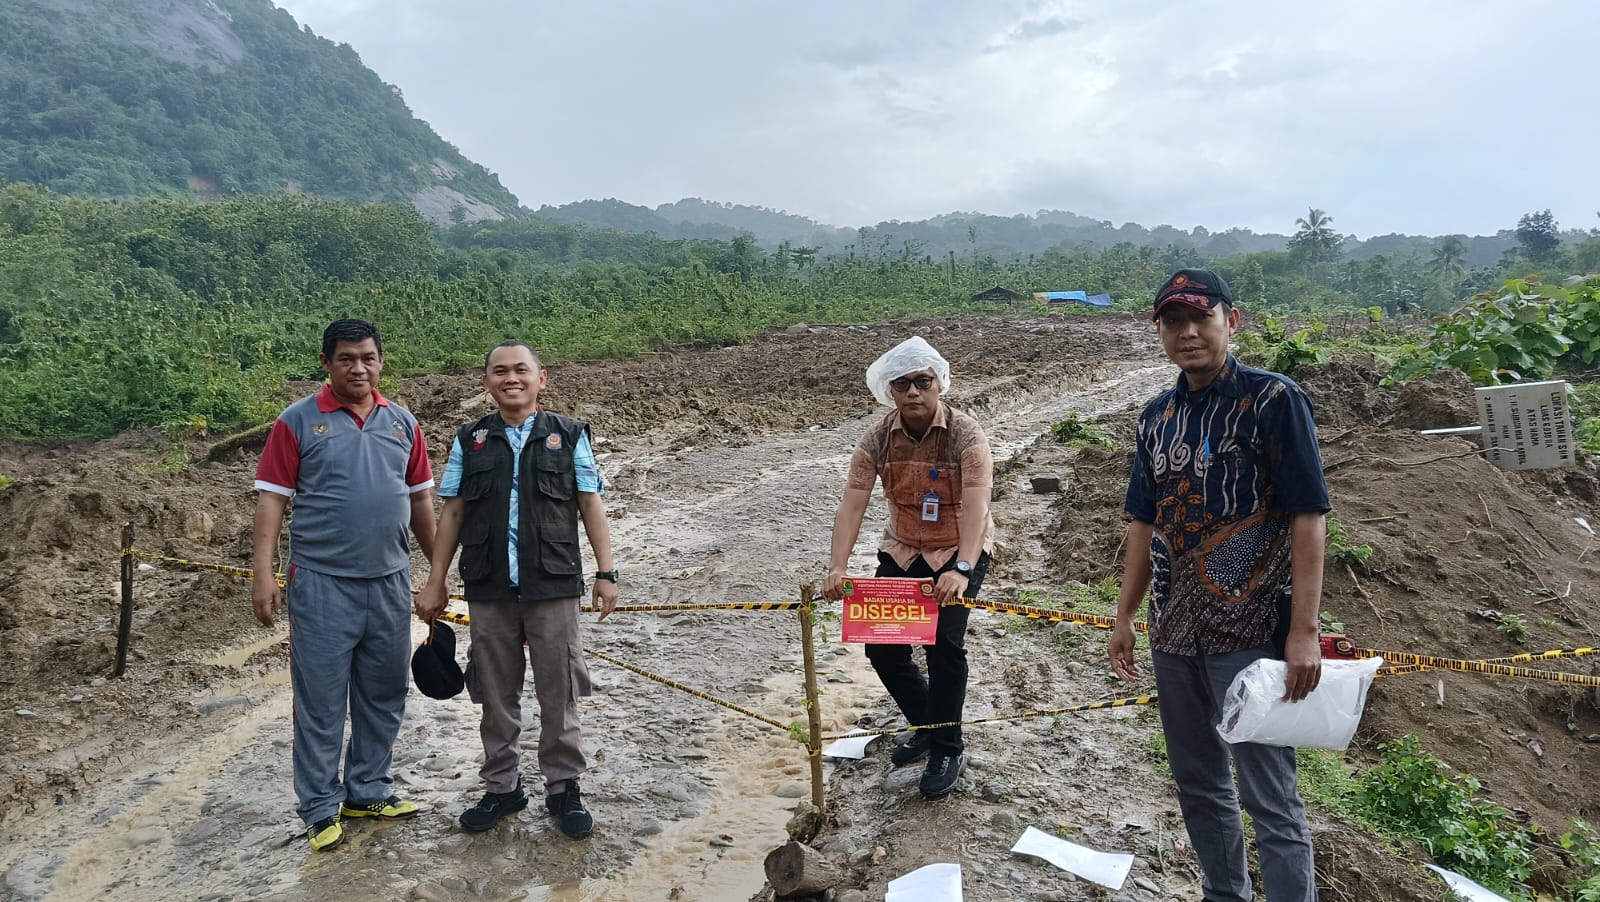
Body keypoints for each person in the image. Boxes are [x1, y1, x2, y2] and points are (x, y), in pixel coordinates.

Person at [1108, 269, 1329, 902]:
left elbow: (1308, 516)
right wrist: (1125, 615)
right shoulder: (1157, 417)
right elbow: (1143, 522)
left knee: (1269, 795)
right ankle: (1223, 894)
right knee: (1199, 783)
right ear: (1159, 331)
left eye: (1200, 318)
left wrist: (1303, 631)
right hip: (1173, 632)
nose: (1187, 332)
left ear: (1232, 321)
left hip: (1252, 631)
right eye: (1173, 321)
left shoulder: (1273, 400)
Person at [415, 340, 619, 839]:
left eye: (521, 370)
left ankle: (563, 788)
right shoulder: (471, 440)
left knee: (559, 689)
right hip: (488, 586)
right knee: (494, 693)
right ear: (487, 382)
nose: (512, 379)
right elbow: (454, 511)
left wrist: (606, 571)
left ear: (541, 378)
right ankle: (502, 787)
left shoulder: (568, 436)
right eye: (500, 371)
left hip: (552, 582)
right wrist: (436, 579)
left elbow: (589, 503)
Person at [252, 318, 437, 853]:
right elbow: (272, 501)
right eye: (347, 358)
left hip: (389, 581)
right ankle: (317, 807)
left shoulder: (402, 422)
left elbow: (421, 500)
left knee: (384, 692)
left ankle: (368, 790)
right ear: (326, 363)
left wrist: (438, 572)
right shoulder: (298, 423)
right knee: (321, 701)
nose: (359, 367)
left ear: (381, 361)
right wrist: (263, 574)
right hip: (321, 583)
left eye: (368, 357)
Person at [824, 336, 995, 800]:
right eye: (903, 384)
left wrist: (961, 568)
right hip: (902, 550)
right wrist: (837, 567)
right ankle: (926, 723)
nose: (914, 392)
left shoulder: (965, 434)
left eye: (923, 381)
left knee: (943, 646)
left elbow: (979, 508)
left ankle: (947, 746)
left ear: (939, 383)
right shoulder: (877, 439)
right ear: (890, 391)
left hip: (959, 548)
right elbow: (852, 506)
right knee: (883, 649)